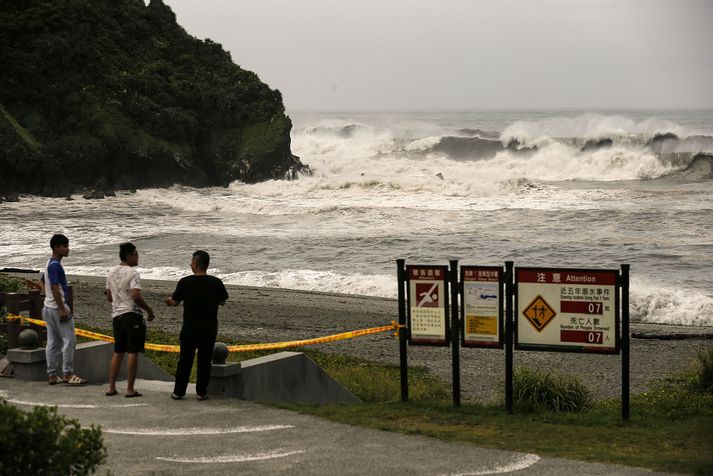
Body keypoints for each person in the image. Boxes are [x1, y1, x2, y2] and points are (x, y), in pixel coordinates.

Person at [165, 250, 228, 401]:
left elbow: (174, 301)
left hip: (190, 328)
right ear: (206, 264)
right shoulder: (216, 282)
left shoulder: (185, 282)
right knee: (204, 361)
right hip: (209, 328)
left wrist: (168, 301)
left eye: (191, 262)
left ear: (194, 264)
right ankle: (201, 392)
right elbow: (222, 301)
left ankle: (179, 392)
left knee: (185, 360)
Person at [105, 242, 155, 398]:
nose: (138, 256)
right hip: (132, 314)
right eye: (135, 254)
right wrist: (149, 310)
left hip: (116, 315)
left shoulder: (111, 272)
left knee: (118, 351)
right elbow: (136, 296)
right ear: (128, 256)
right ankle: (130, 389)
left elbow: (109, 296)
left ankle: (111, 387)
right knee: (133, 351)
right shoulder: (133, 273)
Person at [43, 234, 87, 386]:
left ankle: (52, 375)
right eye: (65, 246)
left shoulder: (48, 262)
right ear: (56, 247)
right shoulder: (55, 265)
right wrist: (62, 308)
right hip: (57, 308)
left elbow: (43, 282)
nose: (68, 249)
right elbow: (55, 286)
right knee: (70, 341)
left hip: (47, 307)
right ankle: (68, 373)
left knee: (53, 342)